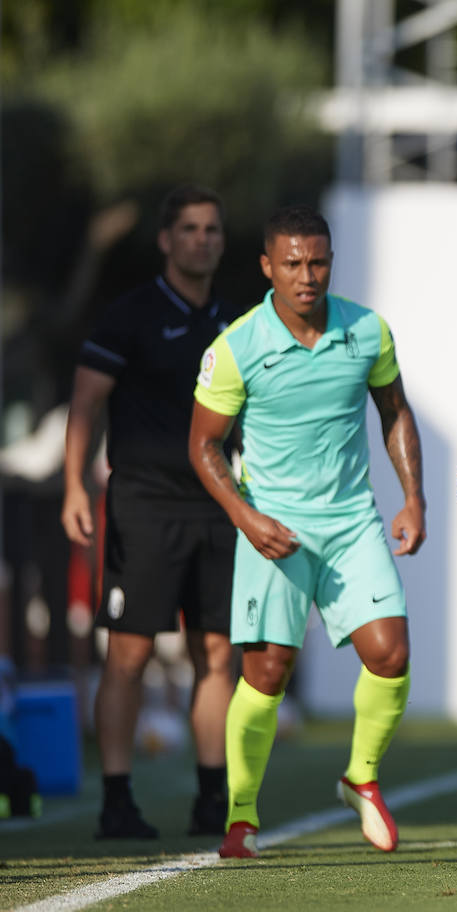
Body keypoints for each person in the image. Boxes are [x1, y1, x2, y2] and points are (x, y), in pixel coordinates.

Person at [189, 205, 425, 859]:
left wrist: (413, 498)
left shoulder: (367, 331)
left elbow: (395, 411)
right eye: (292, 263)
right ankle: (241, 815)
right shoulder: (237, 346)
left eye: (317, 261)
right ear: (268, 267)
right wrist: (247, 517)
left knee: (391, 653)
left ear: (330, 261)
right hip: (273, 527)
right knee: (266, 673)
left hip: (352, 523)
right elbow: (204, 447)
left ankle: (361, 776)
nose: (307, 274)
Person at [61, 184, 240, 839]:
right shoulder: (129, 315)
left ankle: (212, 797)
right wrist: (75, 486)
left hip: (222, 507)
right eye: (189, 228)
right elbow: (84, 403)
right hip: (144, 506)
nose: (202, 239)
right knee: (129, 655)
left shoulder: (237, 321)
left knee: (218, 654)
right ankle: (116, 798)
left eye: (212, 229)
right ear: (167, 240)